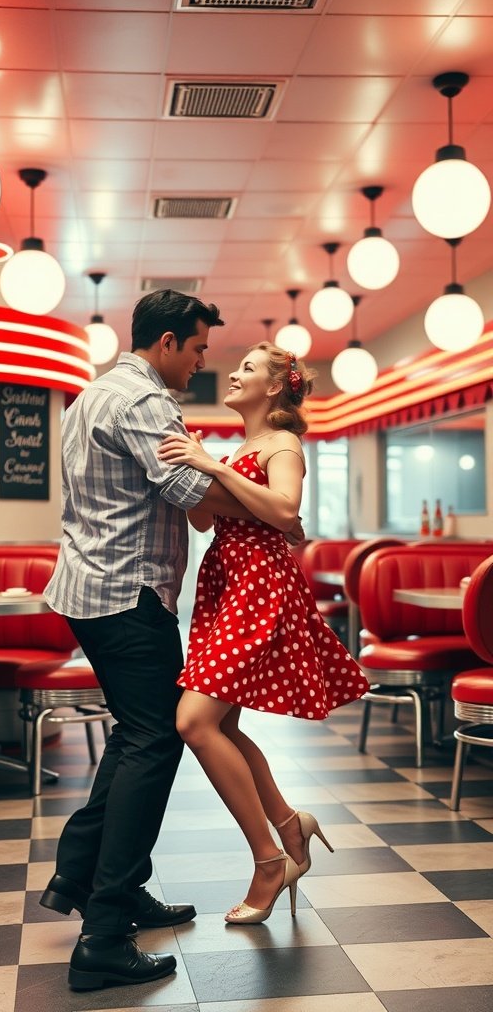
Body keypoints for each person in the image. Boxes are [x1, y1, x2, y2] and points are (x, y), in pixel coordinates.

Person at [40, 291, 298, 992]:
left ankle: (94, 882)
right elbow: (191, 496)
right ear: (165, 343)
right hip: (128, 595)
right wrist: (270, 512)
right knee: (156, 741)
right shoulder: (145, 402)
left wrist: (234, 482)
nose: (201, 361)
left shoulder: (92, 393)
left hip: (92, 592)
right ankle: (101, 938)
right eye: (197, 348)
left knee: (135, 736)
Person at [157, 342, 370, 924]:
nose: (233, 373)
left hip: (260, 586)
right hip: (227, 582)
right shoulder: (242, 447)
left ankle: (268, 860)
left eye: (248, 368)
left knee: (192, 722)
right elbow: (206, 520)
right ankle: (288, 823)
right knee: (219, 723)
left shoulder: (283, 444)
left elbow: (285, 513)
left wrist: (213, 468)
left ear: (275, 387)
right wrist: (195, 469)